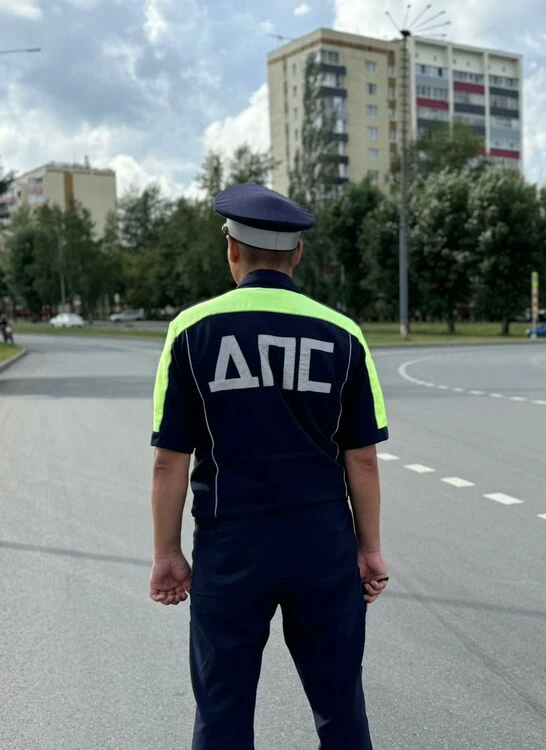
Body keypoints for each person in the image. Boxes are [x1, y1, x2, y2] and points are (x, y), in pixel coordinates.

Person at [147, 182, 389, 749]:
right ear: (297, 254)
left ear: (232, 249)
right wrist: (369, 549)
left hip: (231, 545)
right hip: (322, 544)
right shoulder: (344, 335)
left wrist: (167, 554)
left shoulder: (190, 331)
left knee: (223, 713)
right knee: (340, 706)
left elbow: (168, 462)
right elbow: (362, 458)